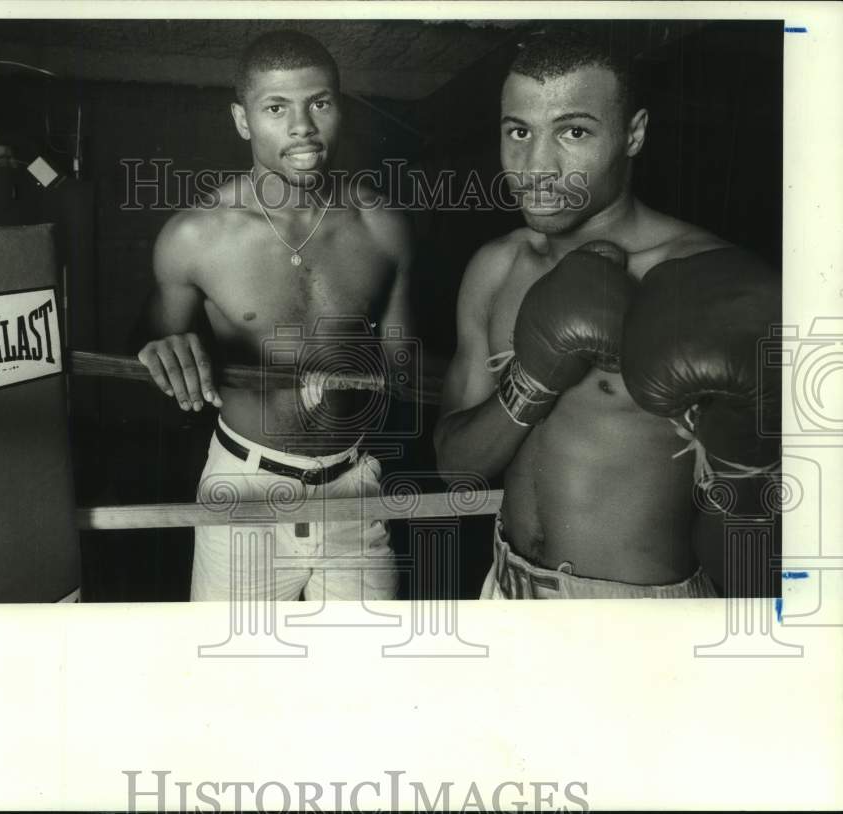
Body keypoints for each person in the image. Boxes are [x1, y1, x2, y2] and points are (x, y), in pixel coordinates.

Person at [434, 25, 780, 599]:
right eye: (518, 131)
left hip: (637, 621)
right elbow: (456, 468)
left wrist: (748, 460)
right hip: (504, 588)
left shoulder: (713, 279)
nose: (537, 164)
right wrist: (533, 378)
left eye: (572, 131)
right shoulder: (496, 267)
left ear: (634, 134)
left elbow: (774, 541)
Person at [136, 30, 415, 602]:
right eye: (276, 108)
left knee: (368, 683)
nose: (302, 127)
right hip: (244, 487)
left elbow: (402, 369)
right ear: (243, 119)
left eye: (320, 103)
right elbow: (157, 344)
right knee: (233, 682)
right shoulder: (194, 237)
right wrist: (159, 350)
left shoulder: (383, 228)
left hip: (351, 487)